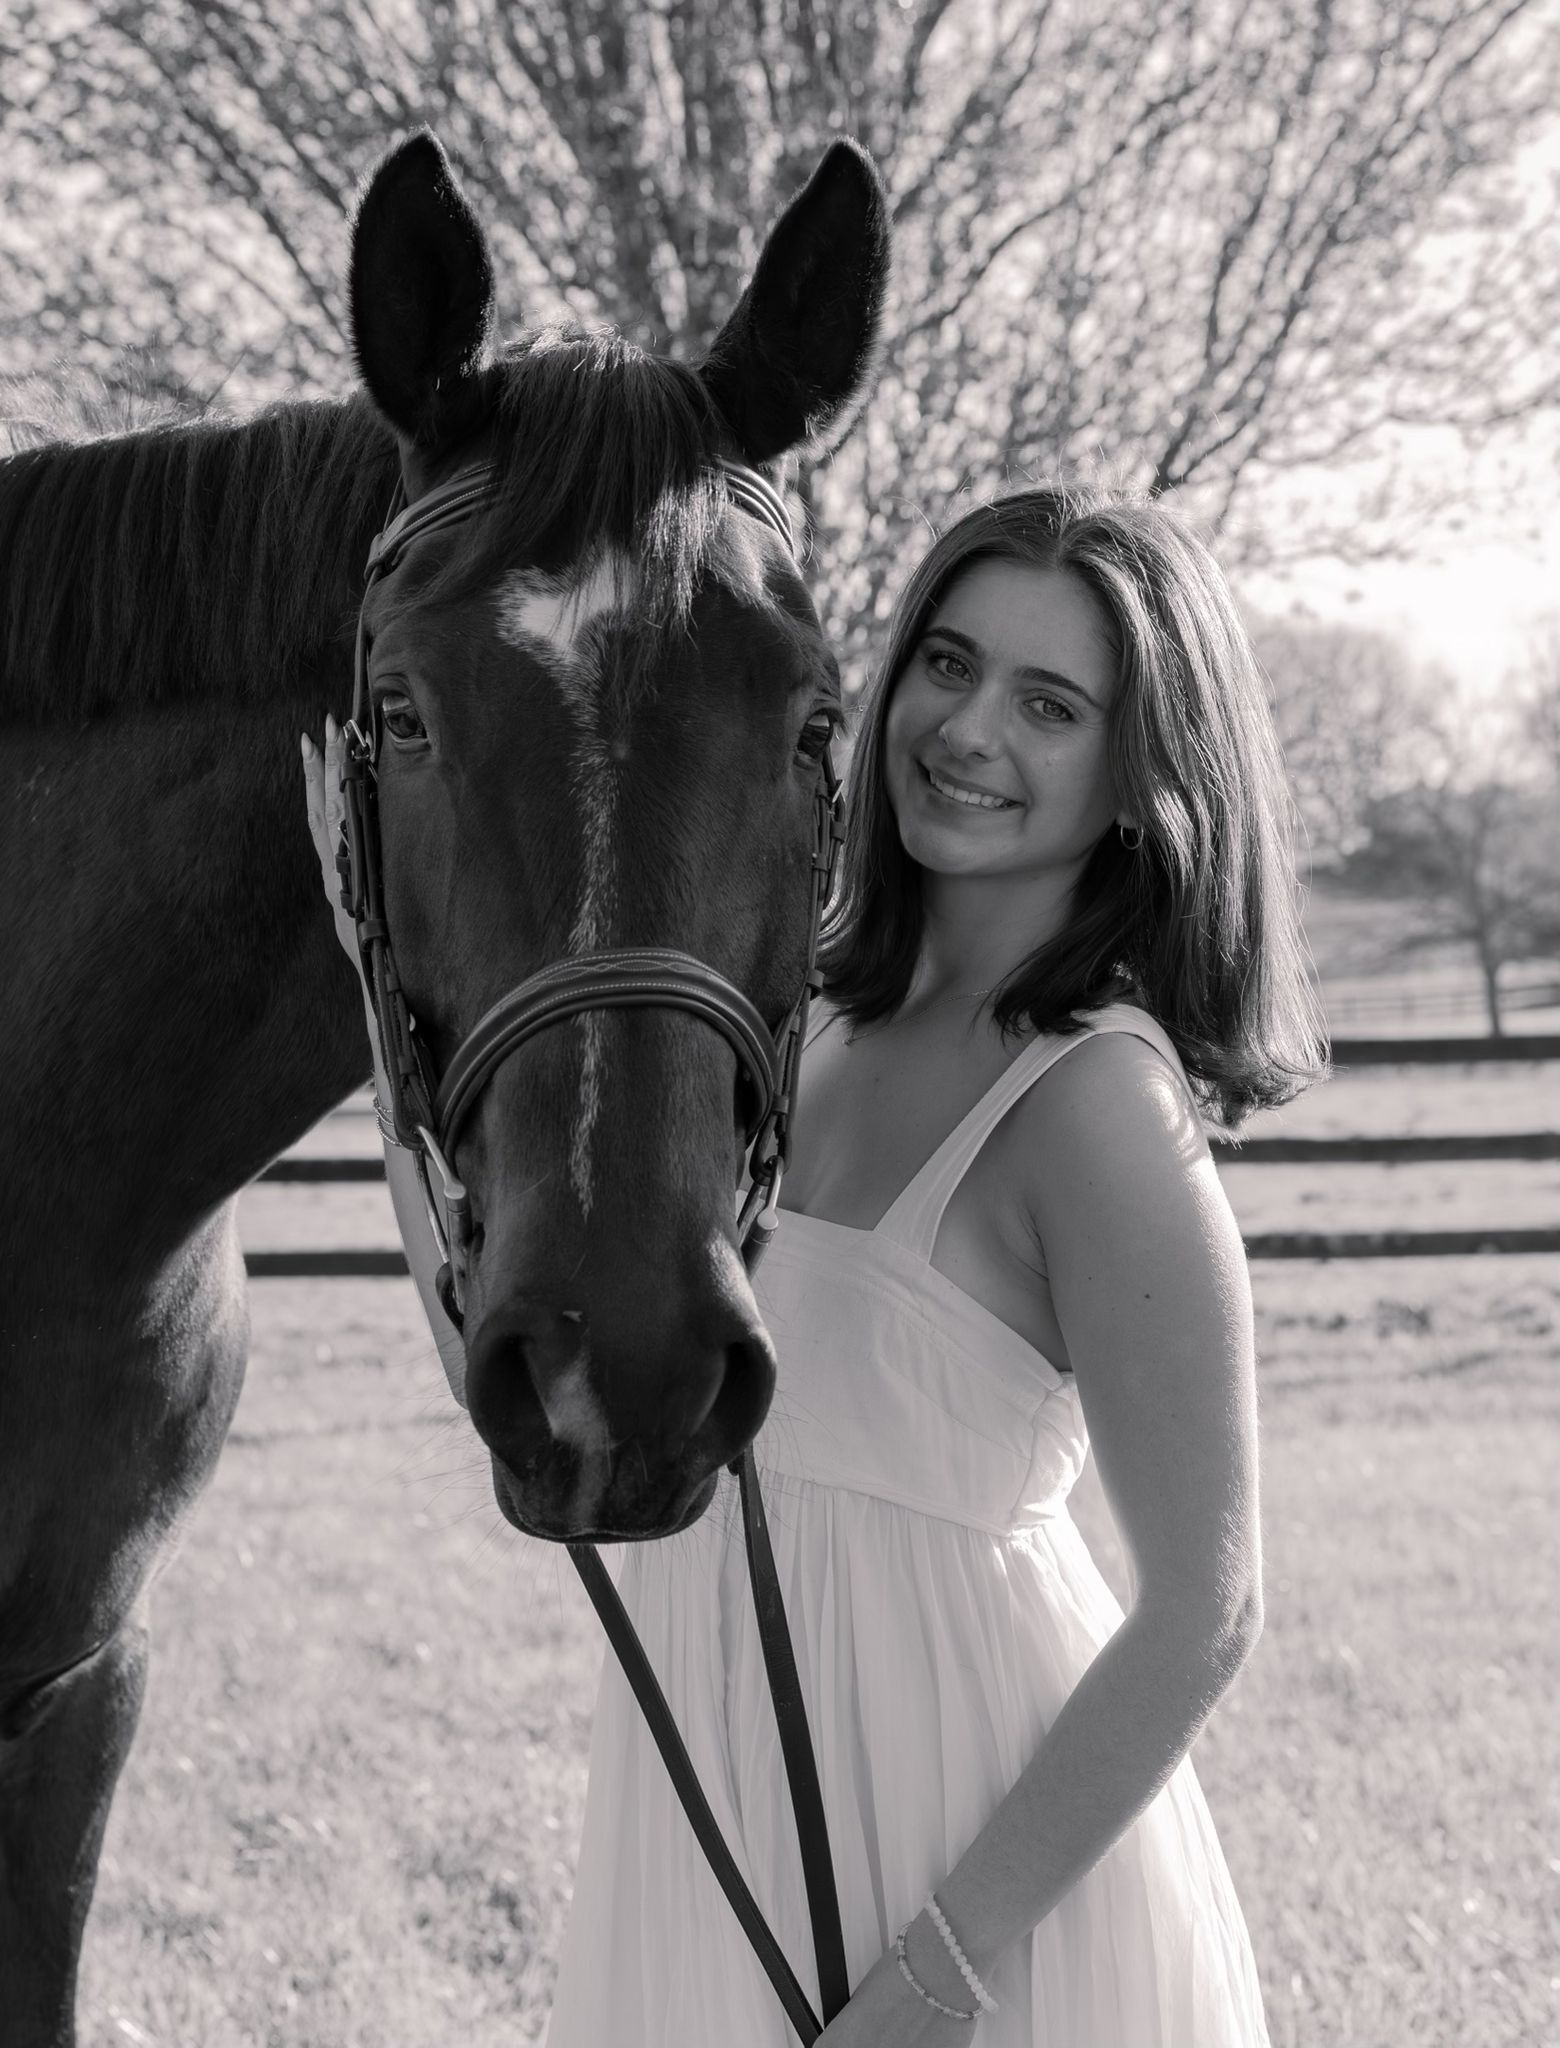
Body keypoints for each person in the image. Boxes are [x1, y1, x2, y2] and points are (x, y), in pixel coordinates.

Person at [303, 480, 1326, 2045]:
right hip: (713, 1822)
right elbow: (524, 1382)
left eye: (1049, 704)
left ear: (1138, 774)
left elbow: (1205, 1606)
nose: (970, 729)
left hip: (972, 1876)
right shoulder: (795, 1034)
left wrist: (941, 1973)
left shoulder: (1098, 1105)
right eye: (948, 662)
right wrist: (374, 966)